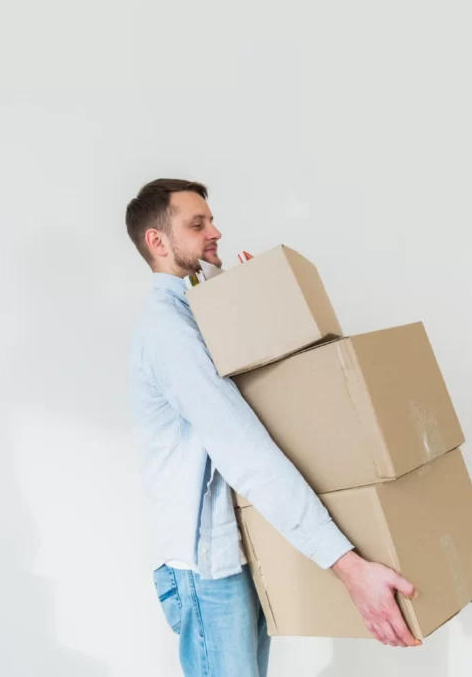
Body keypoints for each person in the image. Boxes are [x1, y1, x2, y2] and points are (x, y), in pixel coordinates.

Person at [126, 178, 420, 677]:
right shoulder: (167, 330)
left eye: (211, 219)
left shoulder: (199, 314)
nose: (214, 231)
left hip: (234, 555)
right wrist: (348, 568)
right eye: (197, 224)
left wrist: (260, 312)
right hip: (205, 567)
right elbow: (243, 448)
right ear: (157, 241)